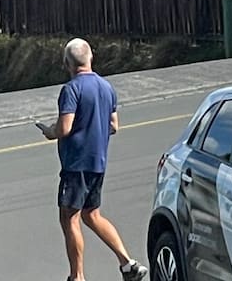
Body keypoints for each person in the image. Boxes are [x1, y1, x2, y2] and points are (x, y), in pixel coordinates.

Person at [42, 37, 149, 281]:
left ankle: (77, 276)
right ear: (91, 57)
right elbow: (114, 125)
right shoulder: (106, 87)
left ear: (67, 63)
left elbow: (65, 127)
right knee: (91, 214)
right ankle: (128, 264)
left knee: (69, 217)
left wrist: (50, 131)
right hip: (97, 162)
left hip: (75, 165)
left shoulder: (72, 89)